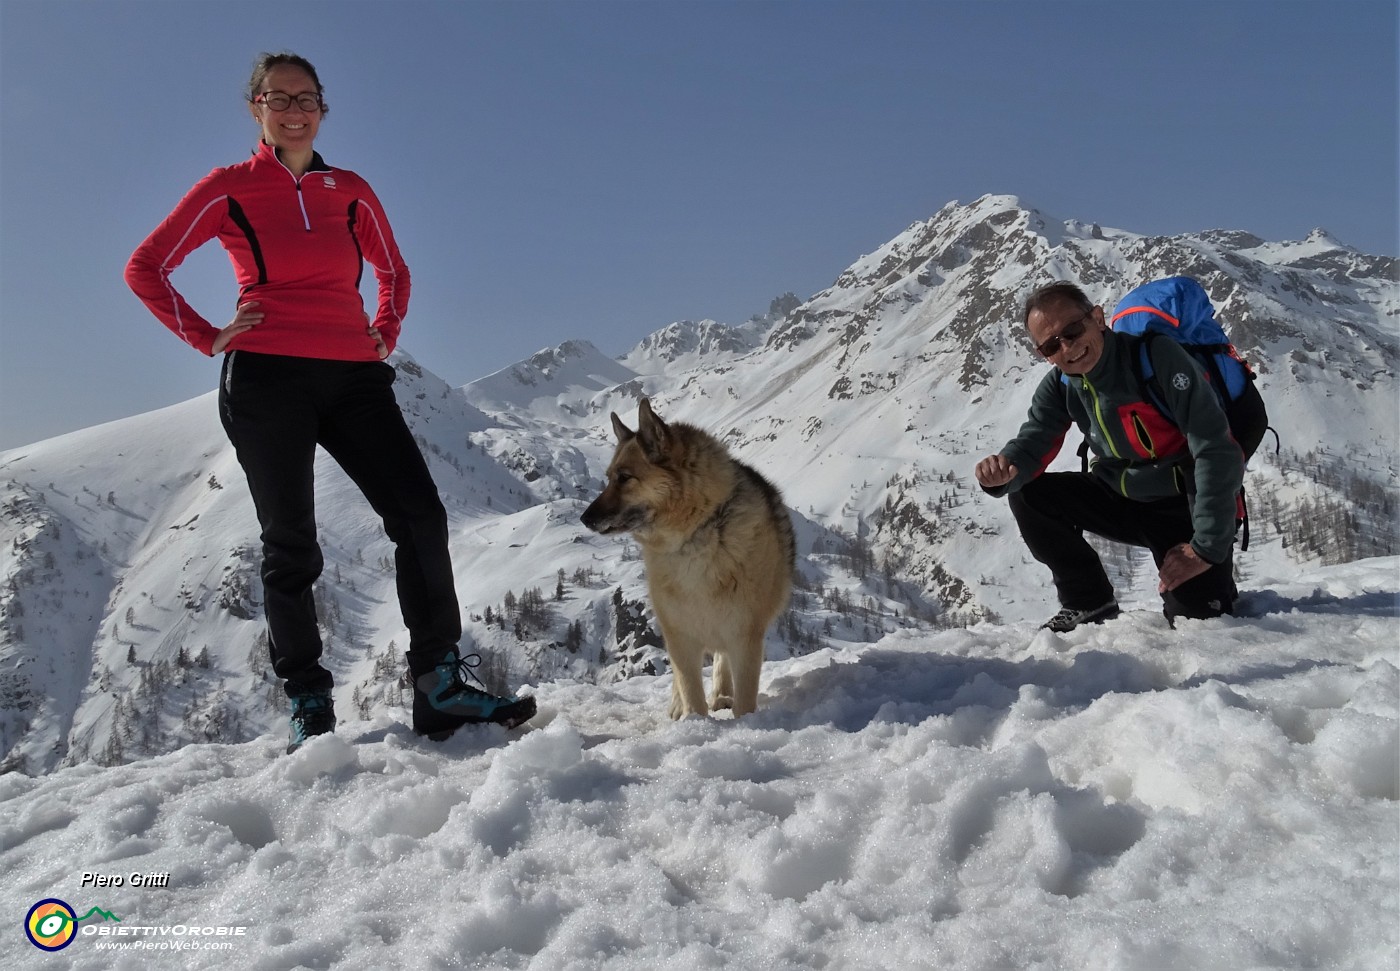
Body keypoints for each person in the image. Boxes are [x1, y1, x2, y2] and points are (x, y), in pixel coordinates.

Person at [125, 51, 535, 751]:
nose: (293, 109)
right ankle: (310, 702)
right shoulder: (227, 188)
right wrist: (206, 335)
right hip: (266, 377)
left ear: (322, 107)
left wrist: (385, 329)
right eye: (278, 97)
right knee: (292, 545)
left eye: (306, 97)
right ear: (255, 105)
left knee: (419, 514)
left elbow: (394, 270)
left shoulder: (350, 189)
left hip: (353, 375)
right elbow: (145, 266)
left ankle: (439, 685)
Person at [974, 281, 1244, 631]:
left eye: (1072, 330)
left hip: (1184, 506)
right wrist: (1003, 472)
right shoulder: (1061, 385)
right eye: (1051, 345)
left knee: (1198, 620)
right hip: (1123, 499)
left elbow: (1214, 448)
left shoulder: (1156, 358)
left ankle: (1213, 583)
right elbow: (1033, 442)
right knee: (1027, 493)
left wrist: (1206, 548)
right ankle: (1088, 600)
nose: (1067, 347)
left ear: (1098, 318)